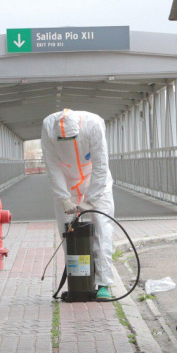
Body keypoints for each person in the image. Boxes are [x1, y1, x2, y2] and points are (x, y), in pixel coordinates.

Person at [40, 108, 116, 299]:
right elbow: (52, 166)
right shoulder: (48, 126)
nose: (67, 143)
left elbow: (100, 166)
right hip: (67, 183)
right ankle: (79, 280)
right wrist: (63, 197)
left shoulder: (93, 124)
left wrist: (90, 200)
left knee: (103, 229)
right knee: (69, 232)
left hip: (96, 182)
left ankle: (103, 283)